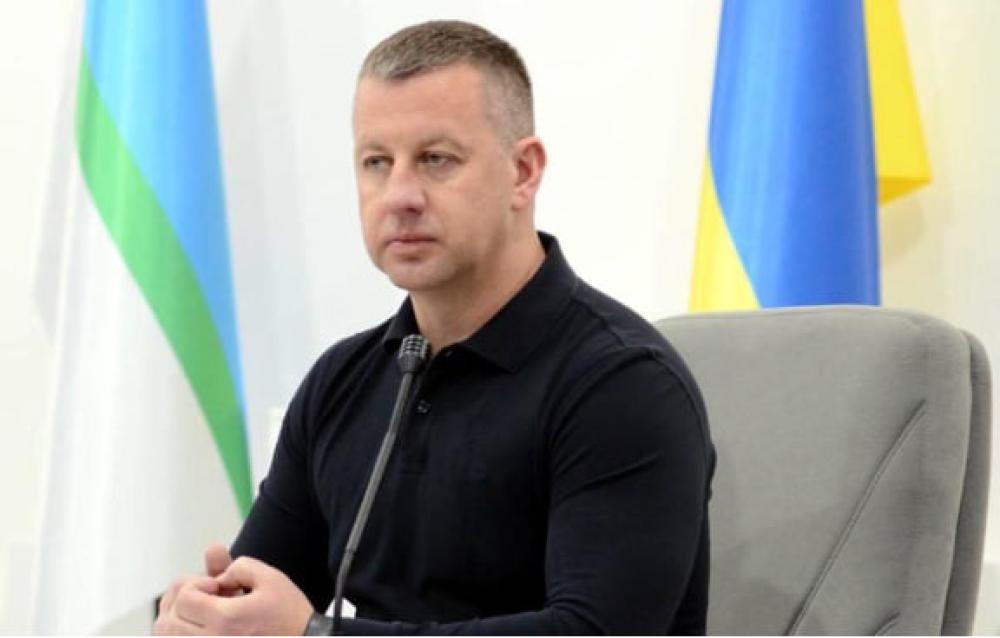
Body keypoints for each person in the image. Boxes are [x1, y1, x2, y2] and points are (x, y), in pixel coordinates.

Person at [154, 20, 714, 635]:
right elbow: (260, 601)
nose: (400, 195)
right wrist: (205, 615)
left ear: (523, 172)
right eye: (376, 162)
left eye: (435, 160)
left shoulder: (624, 385)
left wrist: (317, 634)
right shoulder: (342, 381)